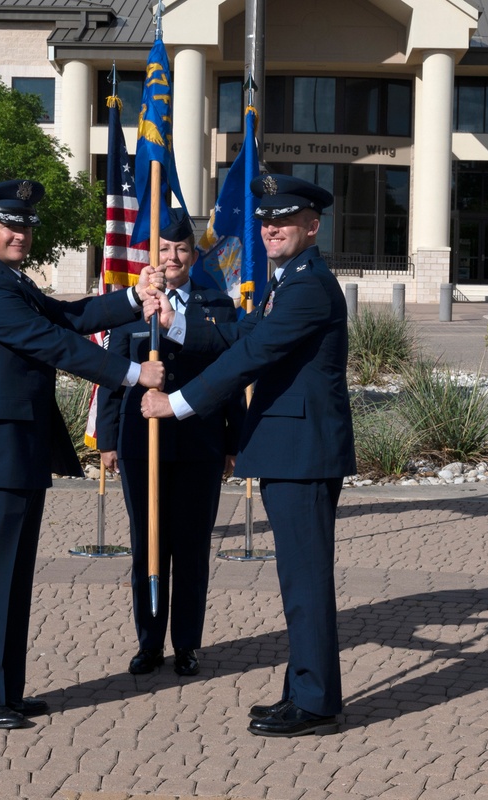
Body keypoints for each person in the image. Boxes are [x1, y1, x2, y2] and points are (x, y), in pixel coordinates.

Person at [0, 178, 165, 730]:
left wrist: (133, 297)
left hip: (17, 444)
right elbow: (53, 344)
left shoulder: (10, 281)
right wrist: (134, 373)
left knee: (12, 576)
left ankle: (3, 689)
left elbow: (69, 319)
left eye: (26, 226)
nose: (20, 234)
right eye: (10, 225)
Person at [140, 174, 355, 738]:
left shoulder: (309, 285)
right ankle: (303, 690)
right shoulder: (289, 281)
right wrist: (176, 322)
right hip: (290, 450)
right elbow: (237, 333)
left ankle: (316, 703)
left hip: (304, 453)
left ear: (312, 226)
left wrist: (177, 404)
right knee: (297, 582)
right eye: (266, 221)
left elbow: (250, 357)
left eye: (283, 221)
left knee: (306, 581)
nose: (270, 229)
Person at [96, 208, 242, 678]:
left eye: (181, 248)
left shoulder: (217, 305)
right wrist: (108, 440)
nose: (173, 256)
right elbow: (115, 379)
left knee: (192, 548)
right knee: (149, 545)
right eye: (164, 248)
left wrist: (232, 442)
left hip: (200, 443)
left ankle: (187, 645)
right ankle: (149, 642)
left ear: (194, 255)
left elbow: (230, 376)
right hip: (143, 444)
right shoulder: (130, 306)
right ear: (150, 254)